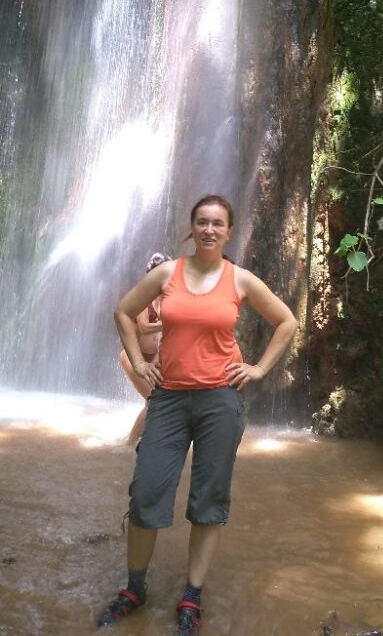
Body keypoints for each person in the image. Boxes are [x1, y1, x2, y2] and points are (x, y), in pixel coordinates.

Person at [97, 194, 298, 635]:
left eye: (218, 224)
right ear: (192, 229)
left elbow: (286, 321)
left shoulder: (240, 280)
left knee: (209, 500)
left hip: (220, 401)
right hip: (168, 398)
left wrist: (259, 368)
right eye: (202, 222)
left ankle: (192, 594)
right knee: (147, 491)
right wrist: (140, 362)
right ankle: (134, 588)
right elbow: (123, 312)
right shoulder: (168, 273)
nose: (209, 229)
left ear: (228, 232)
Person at [119, 252, 171, 445]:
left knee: (160, 397)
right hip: (134, 357)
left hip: (153, 357)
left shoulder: (167, 299)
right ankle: (129, 444)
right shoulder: (144, 297)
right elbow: (144, 327)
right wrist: (169, 323)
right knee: (153, 400)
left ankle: (145, 440)